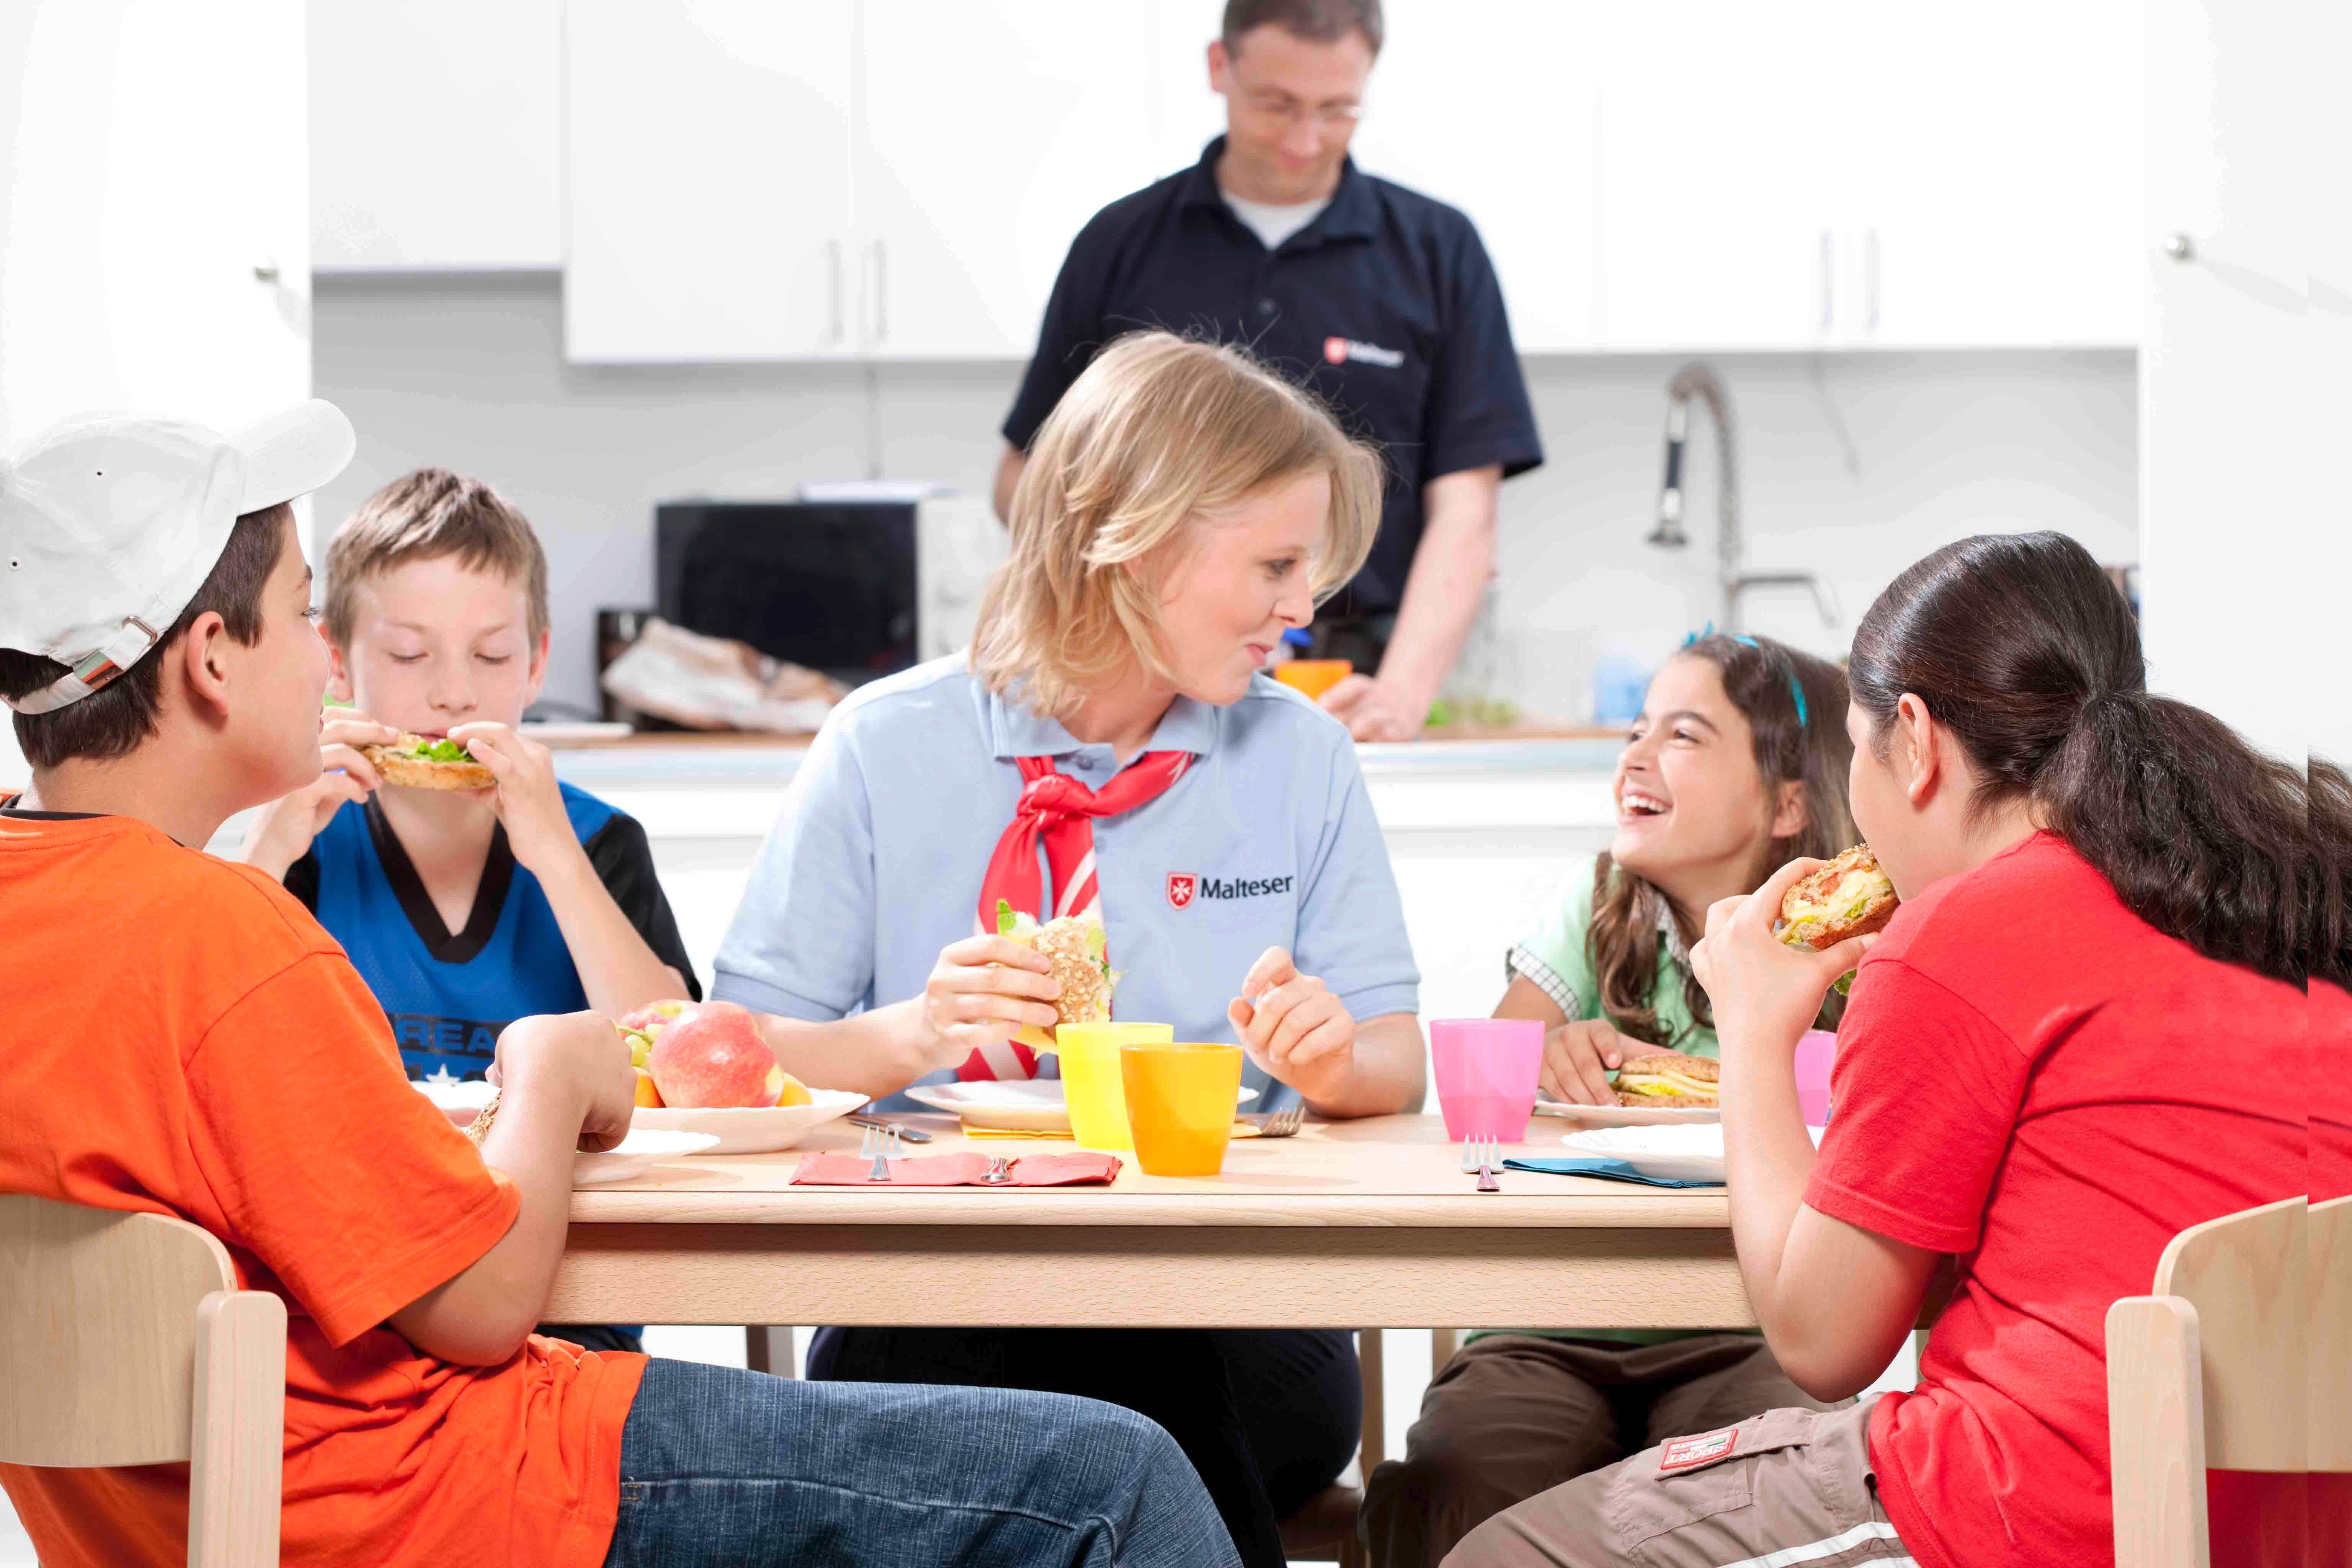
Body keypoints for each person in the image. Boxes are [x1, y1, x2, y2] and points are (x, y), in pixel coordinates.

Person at [0, 403, 1240, 1568]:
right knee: (1117, 1475)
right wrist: (548, 1068)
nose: (326, 664)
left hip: (204, 1519)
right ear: (215, 658)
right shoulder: (227, 934)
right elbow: (481, 1308)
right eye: (300, 611)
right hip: (449, 1489)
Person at [1449, 532, 2317, 1568]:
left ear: (1913, 740)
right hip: (2291, 1520)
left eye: (1858, 747)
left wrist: (1759, 1033)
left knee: (1500, 1556)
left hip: (2041, 1504)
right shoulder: (2276, 901)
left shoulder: (1962, 932)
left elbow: (1823, 1345)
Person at [713, 331, 1425, 1566]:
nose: (1303, 607)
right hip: (925, 1281)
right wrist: (911, 1032)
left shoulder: (1302, 756)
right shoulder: (883, 743)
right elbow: (729, 1060)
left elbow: (1396, 1060)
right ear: (1132, 538)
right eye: (1273, 562)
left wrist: (1329, 1058)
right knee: (1057, 1383)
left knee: (1117, 1354)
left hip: (1238, 1304)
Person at [1361, 632, 1855, 1565]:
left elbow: (1858, 1112)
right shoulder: (1592, 910)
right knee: (1456, 1478)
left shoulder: (1836, 954)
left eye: (1684, 735)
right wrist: (1549, 1049)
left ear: (1790, 801)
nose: (1635, 755)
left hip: (1743, 1327)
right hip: (1547, 1324)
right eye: (1636, 731)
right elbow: (1488, 1086)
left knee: (1770, 1486)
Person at [994, 0, 1543, 743]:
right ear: (1221, 68)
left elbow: (1467, 511)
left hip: (1355, 686)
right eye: (1277, 106)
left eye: (1337, 110)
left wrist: (1402, 693)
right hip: (1146, 691)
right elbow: (1032, 477)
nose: (1304, 141)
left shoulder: (1438, 252)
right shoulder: (1120, 243)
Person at [240, 467, 699, 1354]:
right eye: (410, 656)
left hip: (570, 1296)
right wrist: (269, 847)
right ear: (337, 661)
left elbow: (680, 1055)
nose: (454, 693)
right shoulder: (301, 845)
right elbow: (216, 1050)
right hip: (346, 1295)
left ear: (535, 664)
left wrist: (557, 858)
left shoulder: (598, 842)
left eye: (491, 657)